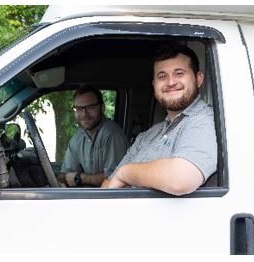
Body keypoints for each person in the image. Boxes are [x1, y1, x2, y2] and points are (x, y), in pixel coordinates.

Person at [101, 44, 217, 196]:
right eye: (162, 76)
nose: (170, 82)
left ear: (198, 79)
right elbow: (108, 186)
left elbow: (181, 179)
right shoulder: (147, 136)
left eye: (179, 73)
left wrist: (125, 173)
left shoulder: (206, 120)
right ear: (154, 84)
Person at [58, 87, 128, 187]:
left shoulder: (111, 134)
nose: (84, 114)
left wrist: (81, 178)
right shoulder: (77, 137)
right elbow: (64, 174)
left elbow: (115, 177)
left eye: (90, 107)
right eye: (78, 108)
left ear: (102, 108)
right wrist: (66, 179)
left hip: (110, 198)